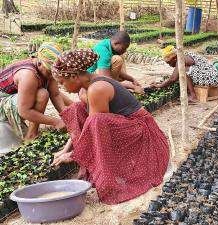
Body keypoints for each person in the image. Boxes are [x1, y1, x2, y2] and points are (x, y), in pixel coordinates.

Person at [51, 49, 169, 204]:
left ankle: (107, 176)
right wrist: (65, 150)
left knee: (97, 122)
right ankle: (93, 168)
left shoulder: (97, 89)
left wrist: (73, 155)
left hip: (144, 134)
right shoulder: (85, 89)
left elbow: (93, 129)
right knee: (77, 109)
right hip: (128, 128)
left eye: (62, 83)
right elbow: (85, 125)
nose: (62, 88)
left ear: (74, 76)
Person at [0, 43, 70, 140]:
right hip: (2, 102)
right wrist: (56, 122)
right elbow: (24, 111)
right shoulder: (28, 75)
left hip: (16, 97)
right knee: (42, 94)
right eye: (50, 72)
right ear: (40, 63)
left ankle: (32, 133)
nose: (52, 75)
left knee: (43, 92)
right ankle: (31, 135)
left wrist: (68, 118)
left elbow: (55, 95)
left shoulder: (49, 70)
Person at [150, 45, 218, 102]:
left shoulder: (181, 59)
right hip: (212, 76)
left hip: (211, 78)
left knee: (183, 70)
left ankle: (193, 96)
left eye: (169, 62)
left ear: (174, 58)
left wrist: (159, 86)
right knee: (182, 71)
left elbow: (173, 78)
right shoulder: (184, 56)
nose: (169, 65)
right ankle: (191, 94)